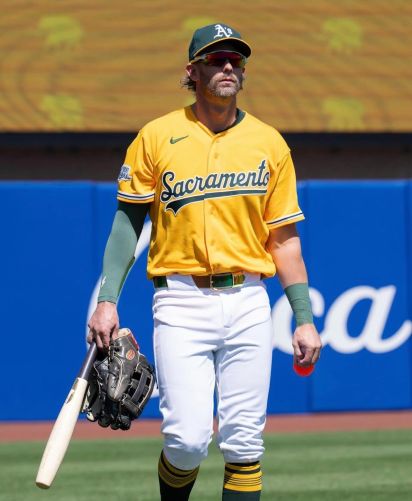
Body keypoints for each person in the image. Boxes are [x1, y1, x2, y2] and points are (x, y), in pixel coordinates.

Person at [88, 22, 322, 501]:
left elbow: (283, 240)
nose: (228, 66)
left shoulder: (269, 143)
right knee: (187, 441)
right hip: (180, 300)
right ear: (192, 71)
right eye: (216, 59)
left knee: (244, 443)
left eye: (236, 59)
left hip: (249, 299)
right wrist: (107, 301)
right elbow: (127, 226)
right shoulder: (157, 136)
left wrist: (303, 318)